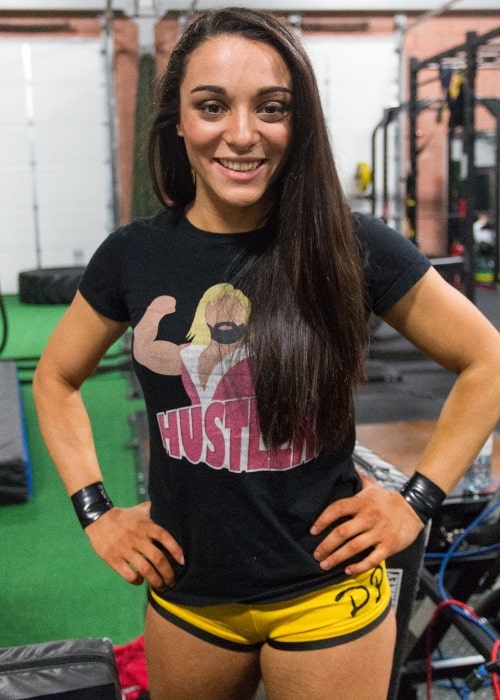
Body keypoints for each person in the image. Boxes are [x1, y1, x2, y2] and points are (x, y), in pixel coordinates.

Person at [33, 7, 500, 700]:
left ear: (298, 121)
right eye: (212, 106)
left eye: (272, 108)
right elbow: (57, 378)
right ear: (179, 122)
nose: (243, 134)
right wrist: (98, 513)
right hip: (190, 597)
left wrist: (416, 501)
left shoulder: (353, 245)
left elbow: (486, 360)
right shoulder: (134, 256)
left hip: (327, 597)